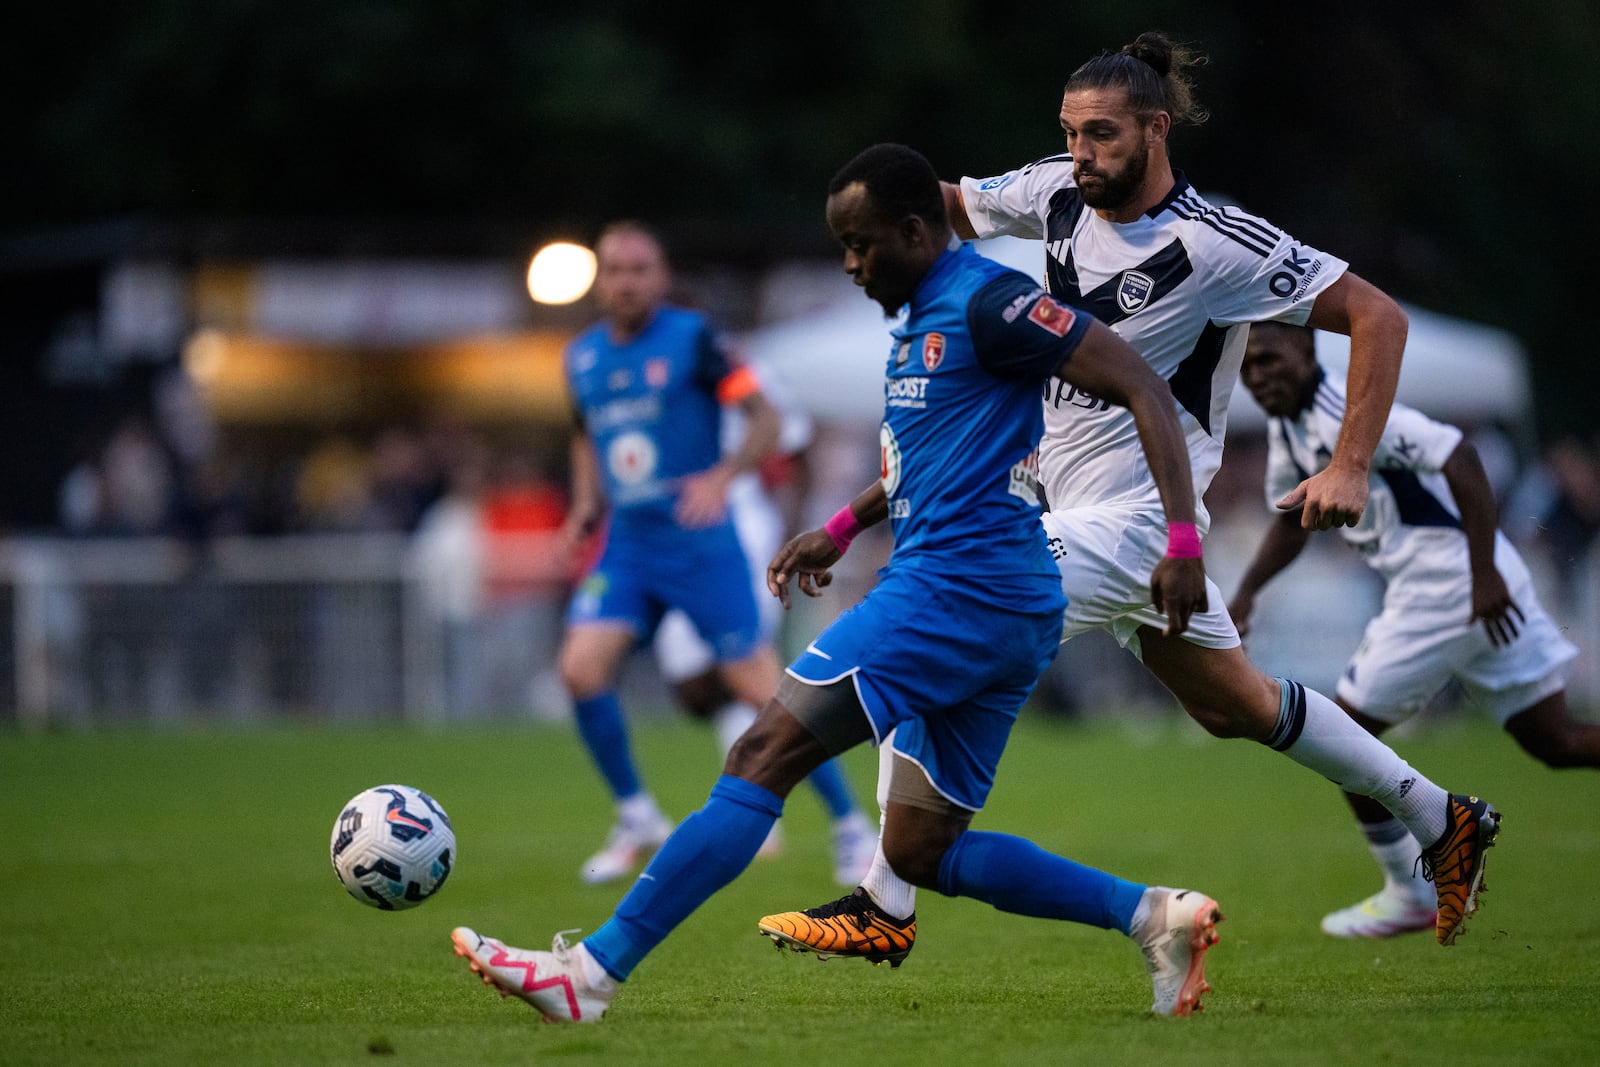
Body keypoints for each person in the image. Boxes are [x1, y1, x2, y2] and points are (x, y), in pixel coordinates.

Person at [761, 30, 1499, 960]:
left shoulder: (1219, 244)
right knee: (1235, 705)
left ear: (1156, 130)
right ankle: (1444, 818)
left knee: (935, 613)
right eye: (1070, 135)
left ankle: (884, 897)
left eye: (1101, 136)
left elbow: (1376, 315)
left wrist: (1349, 463)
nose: (1081, 155)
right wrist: (870, 211)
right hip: (1069, 510)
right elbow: (939, 205)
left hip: (1145, 522)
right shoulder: (1057, 192)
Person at [451, 143, 1225, 1021]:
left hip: (953, 594)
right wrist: (842, 527)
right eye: (841, 246)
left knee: (758, 755)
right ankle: (1153, 916)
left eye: (861, 245)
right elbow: (928, 460)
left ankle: (588, 976)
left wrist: (1184, 541)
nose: (851, 265)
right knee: (924, 850)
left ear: (913, 230)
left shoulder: (992, 300)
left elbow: (1145, 389)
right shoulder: (920, 317)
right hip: (996, 601)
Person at [1229, 321, 1597, 937]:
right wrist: (1246, 592)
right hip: (1477, 584)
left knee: (1340, 735)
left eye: (1270, 359)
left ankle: (1411, 891)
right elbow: (1293, 522)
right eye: (1248, 368)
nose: (1259, 375)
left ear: (1308, 353)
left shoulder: (1347, 412)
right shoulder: (1289, 428)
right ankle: (1413, 888)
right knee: (1554, 740)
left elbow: (1462, 457)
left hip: (1447, 584)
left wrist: (1481, 573)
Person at [549, 219, 800, 884]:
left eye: (639, 269)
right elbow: (583, 432)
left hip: (700, 543)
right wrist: (583, 502)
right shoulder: (581, 357)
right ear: (599, 281)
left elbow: (767, 418)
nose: (626, 282)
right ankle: (636, 814)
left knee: (761, 692)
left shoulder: (696, 340)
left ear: (660, 277)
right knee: (579, 669)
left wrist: (723, 475)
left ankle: (851, 823)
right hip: (628, 547)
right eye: (614, 270)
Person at [649, 368, 876, 886]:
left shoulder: (730, 369)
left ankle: (849, 826)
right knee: (703, 689)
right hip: (677, 544)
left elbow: (790, 439)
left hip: (737, 538)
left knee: (754, 686)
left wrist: (793, 530)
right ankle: (763, 815)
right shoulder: (631, 376)